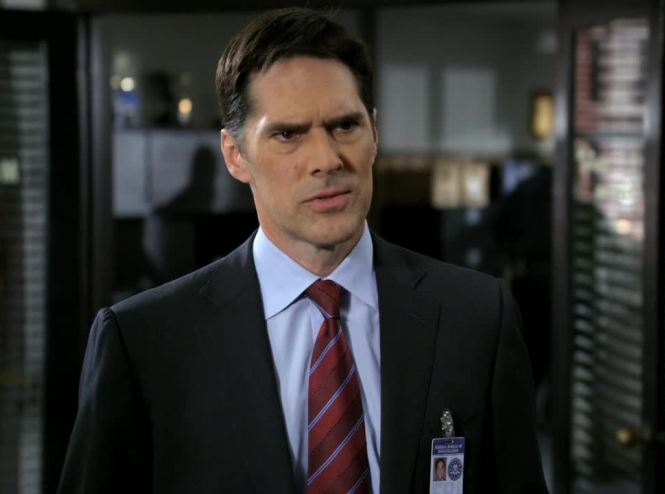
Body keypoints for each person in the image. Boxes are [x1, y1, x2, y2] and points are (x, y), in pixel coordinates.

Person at [58, 7, 548, 494]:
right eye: (288, 134)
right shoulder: (144, 342)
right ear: (235, 155)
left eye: (345, 126)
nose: (326, 160)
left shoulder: (477, 317)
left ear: (374, 134)